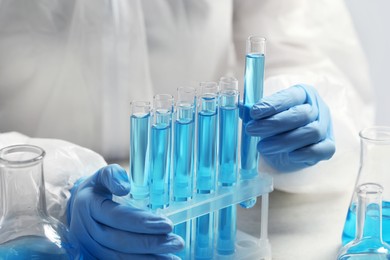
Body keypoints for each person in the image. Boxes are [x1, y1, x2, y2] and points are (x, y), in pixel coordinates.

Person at [0, 0, 375, 259]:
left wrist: (293, 107)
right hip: (26, 234)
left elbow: (303, 45)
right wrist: (51, 191)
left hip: (222, 199)